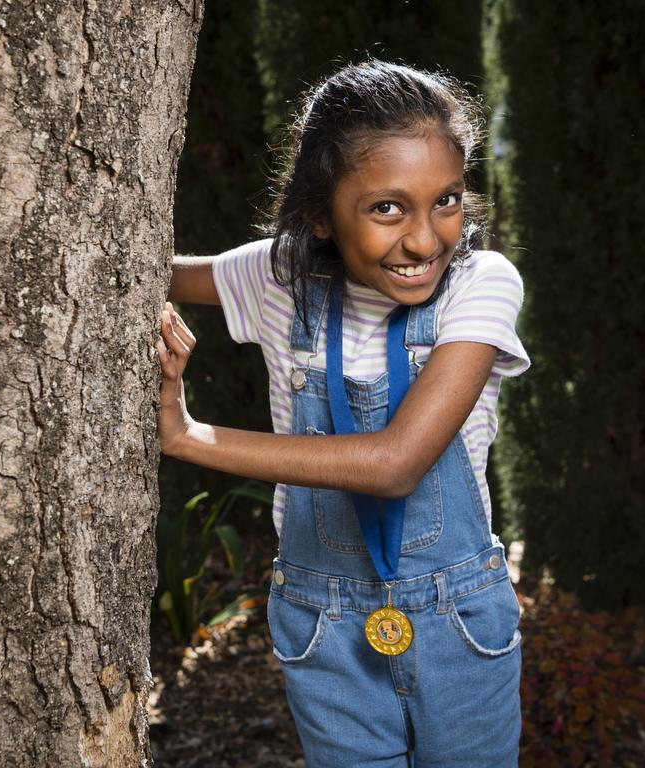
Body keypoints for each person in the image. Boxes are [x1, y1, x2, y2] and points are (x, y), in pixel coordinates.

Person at [156, 59, 530, 768]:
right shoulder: (277, 276)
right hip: (323, 623)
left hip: (460, 620)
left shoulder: (480, 285)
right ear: (319, 215)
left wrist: (189, 437)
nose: (425, 240)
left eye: (446, 200)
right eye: (388, 208)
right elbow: (127, 269)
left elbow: (395, 464)